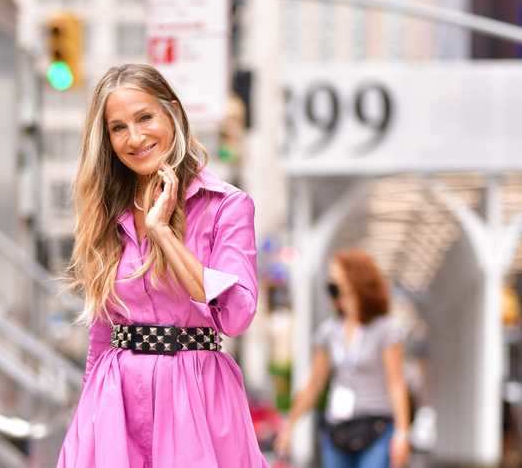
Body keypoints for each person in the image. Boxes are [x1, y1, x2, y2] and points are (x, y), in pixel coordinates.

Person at [56, 64, 269, 468]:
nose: (134, 138)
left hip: (197, 396)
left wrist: (162, 233)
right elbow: (103, 332)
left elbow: (237, 316)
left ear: (172, 112)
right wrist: (85, 419)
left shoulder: (226, 206)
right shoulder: (106, 211)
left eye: (145, 117)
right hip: (115, 398)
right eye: (118, 128)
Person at [274, 249, 410, 468]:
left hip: (376, 428)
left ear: (354, 277)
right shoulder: (329, 332)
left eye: (336, 273)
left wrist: (402, 434)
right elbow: (314, 384)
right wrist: (290, 425)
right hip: (337, 431)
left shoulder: (386, 329)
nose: (331, 279)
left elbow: (396, 383)